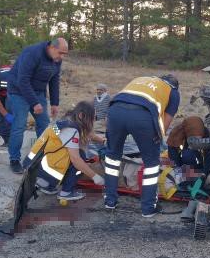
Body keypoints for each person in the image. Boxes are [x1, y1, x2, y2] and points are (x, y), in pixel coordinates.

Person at [103, 74, 180, 217]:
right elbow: (166, 121)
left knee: (112, 158)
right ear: (175, 85)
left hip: (115, 112)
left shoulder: (141, 79)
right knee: (151, 164)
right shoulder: (173, 92)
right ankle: (148, 208)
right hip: (142, 117)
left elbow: (118, 102)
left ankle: (110, 201)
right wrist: (157, 137)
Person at [6, 38, 68, 173]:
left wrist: (55, 103)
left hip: (38, 91)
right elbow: (22, 80)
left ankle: (42, 156)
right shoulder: (32, 53)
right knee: (19, 125)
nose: (62, 57)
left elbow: (54, 81)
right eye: (61, 53)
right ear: (51, 47)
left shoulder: (56, 59)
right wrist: (34, 103)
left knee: (44, 124)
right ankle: (14, 160)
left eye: (64, 54)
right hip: (18, 91)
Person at [24, 101, 105, 200]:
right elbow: (76, 160)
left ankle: (49, 183)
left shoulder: (68, 121)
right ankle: (66, 192)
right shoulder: (71, 130)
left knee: (77, 155)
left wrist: (103, 141)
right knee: (81, 157)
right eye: (92, 118)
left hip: (33, 163)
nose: (93, 121)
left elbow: (89, 134)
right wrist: (95, 177)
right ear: (81, 115)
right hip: (41, 171)